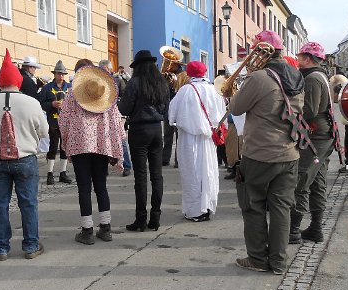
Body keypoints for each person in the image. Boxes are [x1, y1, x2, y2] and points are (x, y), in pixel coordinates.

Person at [227, 44, 305, 273]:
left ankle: (258, 260)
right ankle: (279, 262)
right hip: (290, 152)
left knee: (253, 206)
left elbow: (236, 107)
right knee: (281, 207)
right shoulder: (296, 75)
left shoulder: (259, 77)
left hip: (260, 153)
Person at [0, 50, 49, 260]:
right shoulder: (31, 103)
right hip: (25, 159)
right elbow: (44, 132)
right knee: (28, 203)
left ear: (0, 82)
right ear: (18, 81)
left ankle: (1, 247)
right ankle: (31, 246)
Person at [58, 59, 124, 244]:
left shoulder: (72, 95)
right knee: (101, 186)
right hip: (101, 147)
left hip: (80, 148)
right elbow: (118, 123)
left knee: (84, 188)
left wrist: (66, 142)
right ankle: (106, 228)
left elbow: (63, 122)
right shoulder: (108, 95)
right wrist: (115, 143)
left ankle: (87, 231)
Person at [117, 49, 170, 231]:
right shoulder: (161, 83)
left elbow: (123, 109)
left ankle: (141, 220)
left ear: (138, 67)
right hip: (157, 130)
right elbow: (166, 109)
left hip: (139, 130)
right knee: (157, 176)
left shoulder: (134, 83)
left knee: (140, 177)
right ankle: (155, 217)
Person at [289, 42, 336, 244]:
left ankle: (293, 230)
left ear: (308, 59)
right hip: (323, 137)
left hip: (316, 138)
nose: (298, 60)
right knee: (317, 183)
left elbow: (309, 111)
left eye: (300, 57)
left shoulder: (312, 79)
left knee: (301, 180)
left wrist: (288, 116)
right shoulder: (320, 75)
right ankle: (315, 229)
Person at [168, 60, 226, 222]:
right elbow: (222, 114)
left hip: (189, 139)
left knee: (191, 173)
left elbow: (172, 114)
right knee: (208, 173)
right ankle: (207, 206)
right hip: (209, 139)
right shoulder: (214, 90)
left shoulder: (185, 90)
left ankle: (194, 210)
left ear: (190, 74)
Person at [38, 60, 73, 185]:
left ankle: (63, 173)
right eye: (59, 74)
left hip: (67, 122)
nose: (61, 76)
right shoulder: (47, 88)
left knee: (65, 148)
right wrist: (52, 104)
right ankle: (50, 173)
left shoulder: (69, 87)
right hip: (53, 121)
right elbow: (41, 104)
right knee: (52, 147)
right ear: (55, 74)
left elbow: (75, 104)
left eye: (63, 74)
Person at [99, 59, 132, 176]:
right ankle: (104, 167)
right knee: (103, 139)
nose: (104, 72)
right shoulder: (97, 81)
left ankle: (127, 165)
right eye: (102, 70)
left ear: (110, 70)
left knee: (121, 139)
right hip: (101, 114)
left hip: (116, 113)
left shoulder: (117, 80)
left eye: (106, 70)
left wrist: (119, 107)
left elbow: (125, 95)